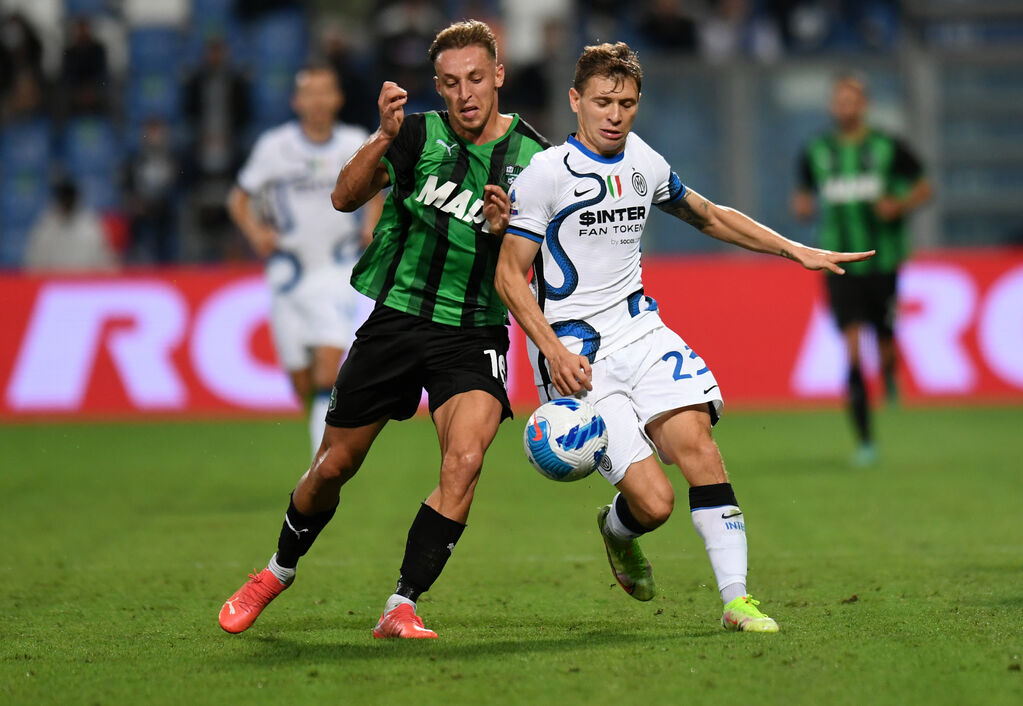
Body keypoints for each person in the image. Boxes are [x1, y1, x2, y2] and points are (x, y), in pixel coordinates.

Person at [495, 42, 874, 633]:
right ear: (575, 102)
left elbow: (709, 214)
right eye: (602, 102)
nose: (615, 114)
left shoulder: (643, 160)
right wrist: (550, 348)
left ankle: (737, 600)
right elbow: (507, 275)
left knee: (696, 445)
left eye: (626, 103)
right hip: (577, 355)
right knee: (654, 503)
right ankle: (617, 530)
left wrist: (793, 249)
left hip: (642, 331)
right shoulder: (547, 176)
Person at [218, 20, 549, 639]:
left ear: (499, 75)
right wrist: (382, 135)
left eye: (476, 78)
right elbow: (345, 198)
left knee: (466, 461)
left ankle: (402, 604)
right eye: (450, 83)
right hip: (396, 321)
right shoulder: (415, 134)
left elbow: (536, 265)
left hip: (473, 329)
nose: (465, 94)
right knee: (332, 467)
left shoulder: (535, 158)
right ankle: (277, 570)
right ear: (437, 87)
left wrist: (510, 233)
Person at [227, 65, 382, 456]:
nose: (317, 101)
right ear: (296, 101)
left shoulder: (353, 141)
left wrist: (371, 227)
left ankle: (322, 465)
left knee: (328, 374)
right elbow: (238, 199)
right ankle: (324, 444)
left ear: (337, 98)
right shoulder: (274, 147)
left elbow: (377, 189)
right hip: (289, 273)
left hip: (337, 268)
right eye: (309, 93)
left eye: (324, 92)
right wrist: (257, 233)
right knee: (302, 380)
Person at [791, 72, 931, 466]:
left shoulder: (888, 147)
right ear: (832, 106)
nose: (845, 107)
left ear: (863, 105)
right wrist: (802, 207)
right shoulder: (816, 150)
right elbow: (801, 196)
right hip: (838, 264)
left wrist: (898, 205)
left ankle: (888, 371)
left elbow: (924, 186)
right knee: (852, 348)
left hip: (883, 260)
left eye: (852, 100)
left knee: (885, 343)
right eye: (839, 100)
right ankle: (866, 440)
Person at [23, 179, 117, 272]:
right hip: (53, 284)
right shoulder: (45, 228)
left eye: (69, 200)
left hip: (84, 284)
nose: (67, 204)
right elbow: (34, 266)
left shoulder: (92, 228)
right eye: (64, 200)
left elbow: (107, 266)